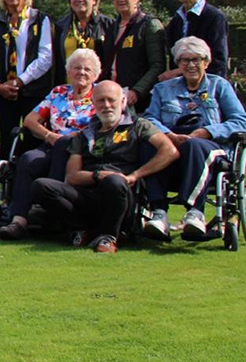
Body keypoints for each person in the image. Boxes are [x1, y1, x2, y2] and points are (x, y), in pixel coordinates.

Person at [31, 81, 177, 253]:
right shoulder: (85, 134)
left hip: (121, 193)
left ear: (123, 101)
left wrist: (135, 175)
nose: (106, 105)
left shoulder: (139, 125)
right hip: (88, 192)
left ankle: (109, 237)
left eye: (111, 100)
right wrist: (98, 175)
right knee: (41, 186)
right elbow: (72, 177)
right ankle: (84, 228)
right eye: (101, 101)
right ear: (93, 104)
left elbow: (170, 151)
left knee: (113, 182)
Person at [141, 36, 246, 240]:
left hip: (212, 148)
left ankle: (195, 212)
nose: (191, 65)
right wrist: (168, 135)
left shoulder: (219, 86)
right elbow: (149, 118)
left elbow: (241, 120)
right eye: (185, 60)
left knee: (194, 145)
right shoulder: (163, 89)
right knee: (151, 145)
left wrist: (207, 131)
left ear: (206, 62)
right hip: (173, 146)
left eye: (196, 59)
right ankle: (159, 213)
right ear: (178, 63)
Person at [0, 48, 101, 240]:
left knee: (65, 142)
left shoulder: (99, 94)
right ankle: (18, 220)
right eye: (77, 68)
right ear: (68, 71)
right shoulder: (58, 92)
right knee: (29, 158)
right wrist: (48, 135)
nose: (81, 72)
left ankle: (49, 209)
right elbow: (30, 120)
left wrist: (67, 139)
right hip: (52, 143)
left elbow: (103, 125)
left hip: (83, 150)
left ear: (95, 74)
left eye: (87, 69)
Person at [0, 0, 53, 160]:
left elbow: (45, 57)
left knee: (33, 138)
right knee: (7, 141)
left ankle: (30, 174)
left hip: (33, 91)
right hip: (4, 94)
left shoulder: (40, 19)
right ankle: (7, 176)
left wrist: (19, 82)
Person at [99, 0, 166, 112]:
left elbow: (158, 65)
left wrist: (137, 91)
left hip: (142, 102)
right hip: (113, 99)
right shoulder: (111, 28)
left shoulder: (149, 25)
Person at [161, 0, 230, 80]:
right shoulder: (176, 21)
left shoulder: (214, 17)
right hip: (182, 86)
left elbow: (218, 61)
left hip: (207, 84)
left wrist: (179, 72)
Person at [51, 0, 110, 86]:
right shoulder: (60, 26)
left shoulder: (108, 25)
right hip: (68, 86)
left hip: (98, 87)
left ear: (94, 0)